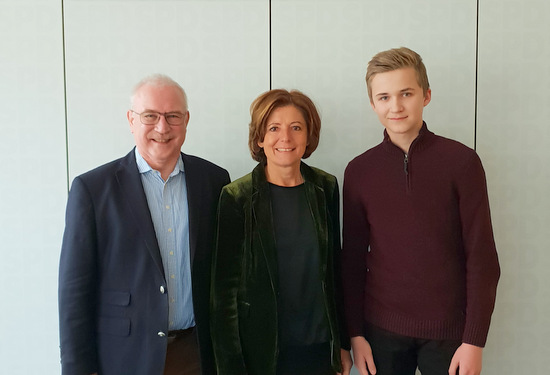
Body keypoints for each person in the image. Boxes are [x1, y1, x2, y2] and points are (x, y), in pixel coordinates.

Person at [342, 47, 500, 375]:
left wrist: (474, 342)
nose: (395, 106)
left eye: (406, 93)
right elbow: (352, 261)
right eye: (384, 97)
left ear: (426, 96)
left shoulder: (462, 163)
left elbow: (482, 259)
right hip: (380, 331)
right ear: (373, 104)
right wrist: (355, 334)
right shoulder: (359, 171)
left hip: (450, 335)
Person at [58, 74, 230, 375]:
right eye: (150, 116)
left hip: (197, 356)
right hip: (123, 359)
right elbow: (74, 292)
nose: (162, 128)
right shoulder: (93, 190)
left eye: (173, 116)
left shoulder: (214, 181)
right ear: (131, 120)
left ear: (186, 120)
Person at [210, 89, 352, 375]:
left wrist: (342, 344)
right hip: (261, 353)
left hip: (318, 348)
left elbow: (334, 272)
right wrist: (231, 367)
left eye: (296, 127)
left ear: (309, 135)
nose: (285, 138)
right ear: (260, 138)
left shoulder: (326, 188)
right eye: (273, 128)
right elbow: (223, 295)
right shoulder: (237, 196)